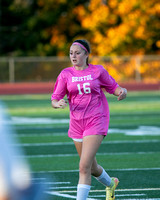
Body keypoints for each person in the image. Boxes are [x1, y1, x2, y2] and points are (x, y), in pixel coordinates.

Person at [51, 39, 127, 200]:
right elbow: (55, 98)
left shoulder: (98, 71)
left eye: (77, 53)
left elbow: (113, 87)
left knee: (83, 167)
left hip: (96, 119)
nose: (73, 56)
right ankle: (111, 183)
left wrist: (122, 91)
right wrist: (57, 103)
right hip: (77, 123)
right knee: (91, 168)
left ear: (86, 54)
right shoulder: (65, 74)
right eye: (71, 53)